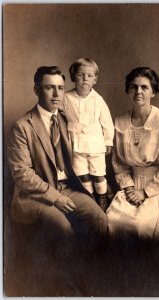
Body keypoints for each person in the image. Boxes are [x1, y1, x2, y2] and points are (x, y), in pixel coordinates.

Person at [7, 66, 108, 253]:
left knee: (99, 218)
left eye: (60, 88)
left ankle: (99, 270)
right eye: (49, 88)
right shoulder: (22, 127)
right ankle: (69, 278)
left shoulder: (64, 118)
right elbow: (22, 174)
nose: (56, 94)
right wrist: (55, 197)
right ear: (37, 90)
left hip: (66, 187)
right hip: (35, 196)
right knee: (63, 227)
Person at [107, 67, 159, 238]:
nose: (138, 91)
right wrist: (129, 187)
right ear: (128, 91)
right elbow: (119, 163)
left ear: (153, 92)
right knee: (111, 221)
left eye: (144, 87)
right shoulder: (120, 122)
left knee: (141, 226)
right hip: (132, 187)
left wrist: (144, 193)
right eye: (133, 87)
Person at [63, 58, 114, 212]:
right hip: (75, 143)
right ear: (73, 77)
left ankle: (102, 197)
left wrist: (108, 141)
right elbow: (59, 116)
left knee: (98, 174)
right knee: (83, 174)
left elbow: (107, 122)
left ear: (95, 80)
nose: (85, 79)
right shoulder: (66, 98)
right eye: (80, 75)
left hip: (95, 143)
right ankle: (89, 198)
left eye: (89, 76)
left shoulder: (98, 100)